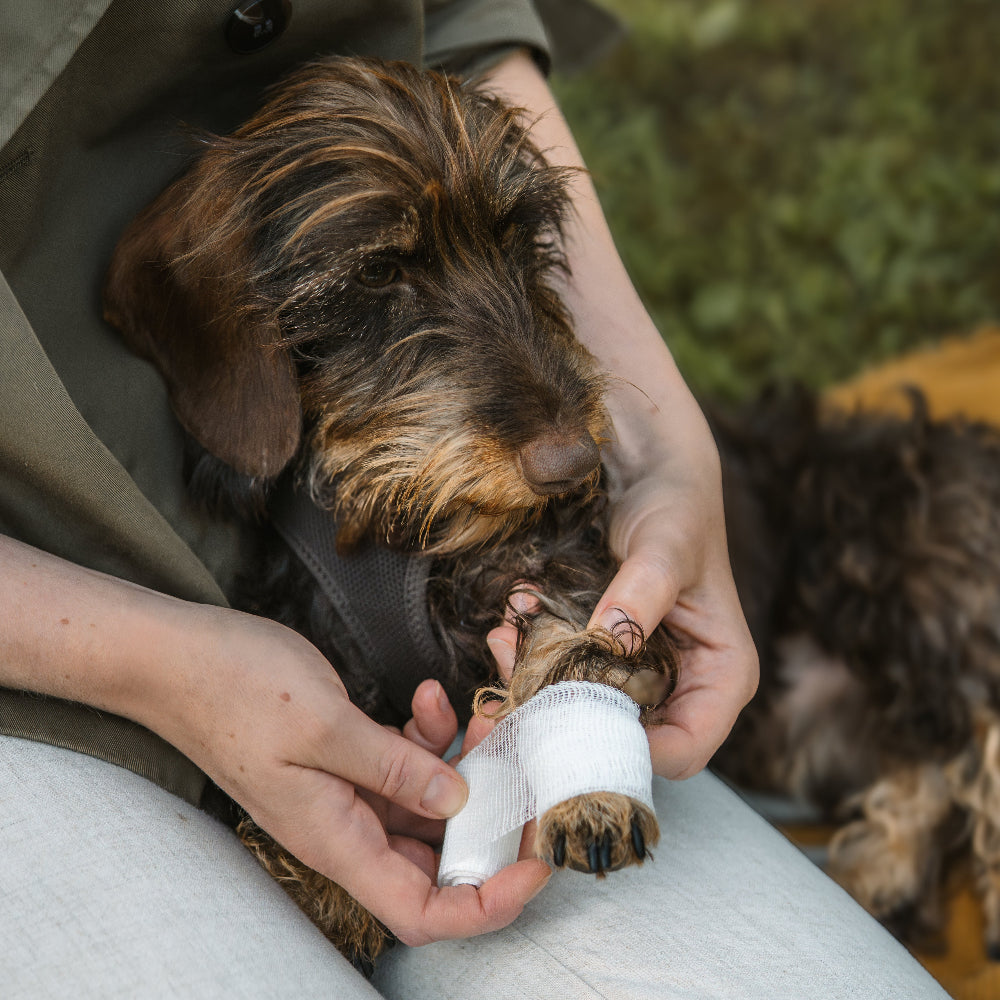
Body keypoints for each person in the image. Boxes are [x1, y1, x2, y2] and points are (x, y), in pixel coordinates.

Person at [0, 2, 948, 997]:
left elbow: (455, 18)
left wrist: (661, 449)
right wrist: (159, 666)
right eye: (392, 284)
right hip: (46, 679)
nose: (563, 447)